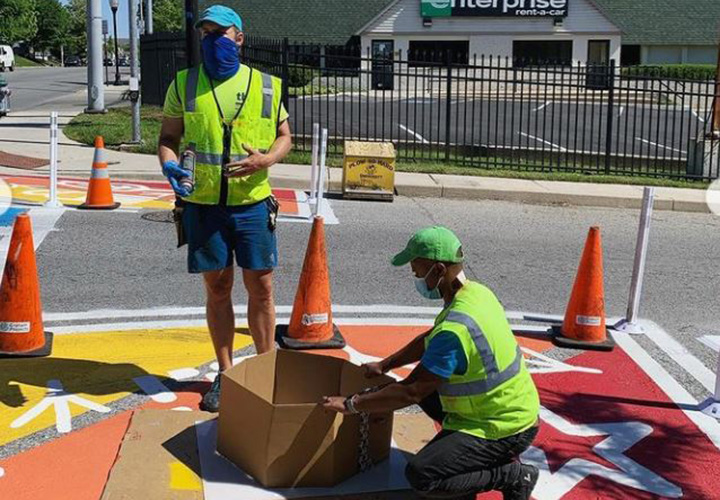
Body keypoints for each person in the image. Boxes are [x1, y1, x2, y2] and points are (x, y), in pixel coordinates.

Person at [323, 226, 540, 500]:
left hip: (504, 427)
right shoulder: (476, 293)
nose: (415, 277)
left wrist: (351, 404)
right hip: (511, 408)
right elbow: (431, 339)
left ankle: (511, 475)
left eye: (417, 271)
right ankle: (473, 458)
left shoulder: (456, 328)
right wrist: (386, 364)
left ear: (438, 270)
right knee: (422, 389)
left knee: (422, 475)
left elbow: (410, 391)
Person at [157, 5, 292, 412]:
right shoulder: (185, 83)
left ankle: (266, 372)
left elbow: (285, 136)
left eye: (221, 32)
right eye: (206, 33)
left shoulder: (266, 86)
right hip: (203, 206)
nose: (213, 40)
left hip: (251, 205)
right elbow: (168, 137)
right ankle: (227, 372)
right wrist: (168, 165)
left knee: (262, 289)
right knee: (218, 290)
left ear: (240, 38)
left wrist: (267, 159)